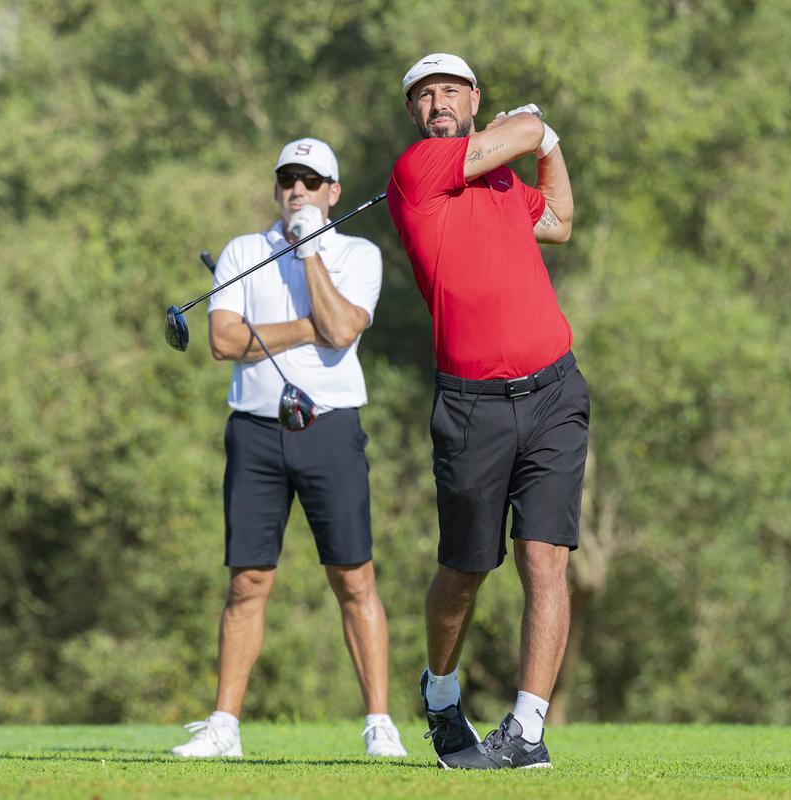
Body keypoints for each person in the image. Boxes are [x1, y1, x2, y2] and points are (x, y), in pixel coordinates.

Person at [172, 137, 406, 759]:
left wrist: (307, 257)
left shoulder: (359, 254)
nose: (296, 190)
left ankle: (379, 723)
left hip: (330, 427)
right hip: (254, 429)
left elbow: (341, 326)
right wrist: (312, 330)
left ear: (333, 191)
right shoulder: (243, 252)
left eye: (309, 179)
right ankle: (224, 726)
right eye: (286, 180)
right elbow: (224, 340)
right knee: (247, 580)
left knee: (354, 578)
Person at [386, 54, 588, 770]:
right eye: (424, 95)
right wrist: (532, 127)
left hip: (555, 392)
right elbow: (526, 128)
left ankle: (526, 732)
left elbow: (560, 219)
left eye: (450, 90)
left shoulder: (501, 181)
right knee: (465, 569)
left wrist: (549, 144)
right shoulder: (417, 172)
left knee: (546, 559)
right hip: (473, 408)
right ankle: (440, 693)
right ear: (415, 114)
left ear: (473, 98)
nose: (437, 102)